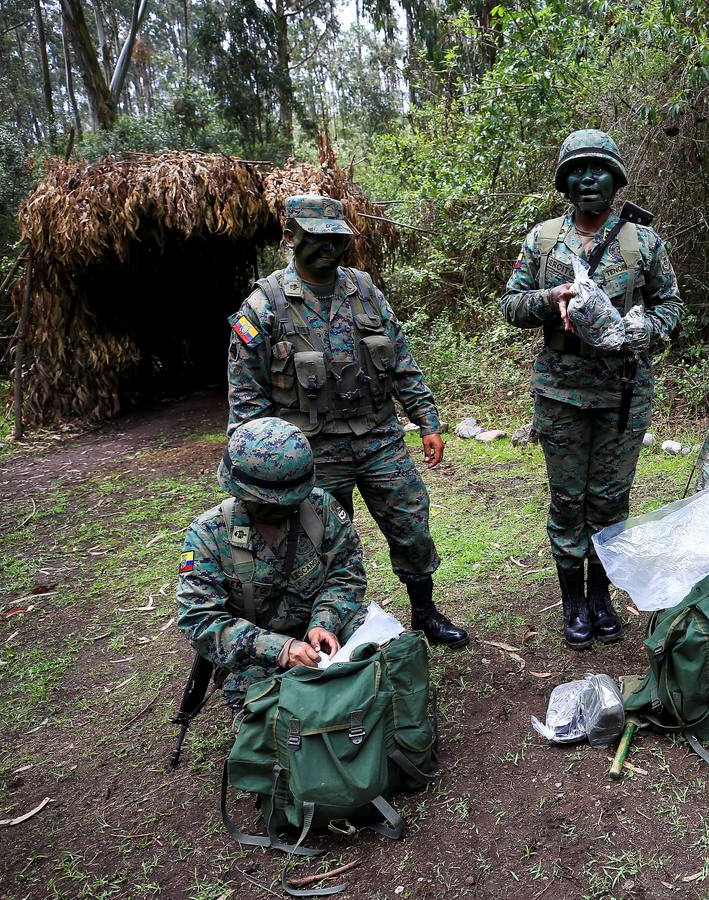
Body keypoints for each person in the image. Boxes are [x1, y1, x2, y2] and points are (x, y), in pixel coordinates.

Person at [227, 195, 467, 649]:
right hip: (311, 451)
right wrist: (254, 466)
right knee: (317, 547)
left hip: (379, 440)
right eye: (315, 238)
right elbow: (246, 393)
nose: (327, 248)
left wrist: (427, 419)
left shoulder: (364, 290)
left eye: (335, 238)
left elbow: (400, 359)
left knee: (412, 529)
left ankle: (425, 612)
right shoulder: (265, 305)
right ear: (290, 237)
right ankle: (325, 632)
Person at [499, 129, 684, 649]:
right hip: (560, 392)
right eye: (577, 170)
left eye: (597, 168)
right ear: (564, 181)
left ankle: (600, 596)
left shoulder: (644, 242)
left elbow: (672, 305)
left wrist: (642, 329)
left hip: (622, 392)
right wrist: (550, 295)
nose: (587, 178)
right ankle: (573, 602)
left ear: (615, 178)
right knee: (566, 500)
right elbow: (510, 307)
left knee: (609, 500)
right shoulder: (541, 240)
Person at [177, 417, 367, 709]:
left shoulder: (321, 509)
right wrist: (280, 649)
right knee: (272, 711)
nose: (281, 508)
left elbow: (346, 574)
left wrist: (324, 623)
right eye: (267, 503)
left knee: (378, 654)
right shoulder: (208, 535)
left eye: (290, 501)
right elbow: (200, 620)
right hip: (257, 655)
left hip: (323, 634)